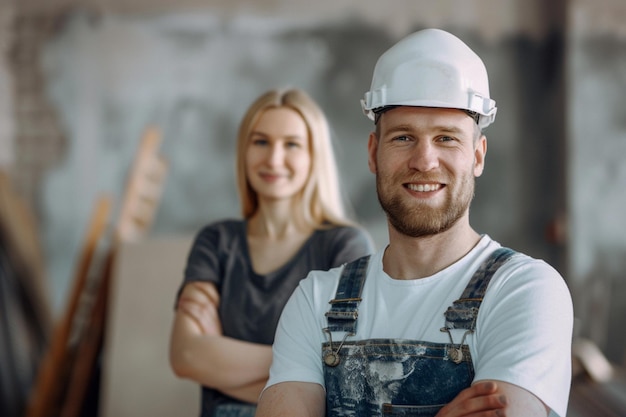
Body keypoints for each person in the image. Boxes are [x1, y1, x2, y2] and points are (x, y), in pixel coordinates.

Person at [256, 29, 573, 417]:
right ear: (374, 153)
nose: (424, 161)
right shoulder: (315, 301)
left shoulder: (525, 291)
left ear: (477, 156)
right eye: (404, 137)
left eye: (446, 138)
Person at [168, 88, 375, 417]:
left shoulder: (345, 245)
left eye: (291, 144)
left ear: (314, 155)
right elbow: (186, 356)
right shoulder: (216, 241)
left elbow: (346, 374)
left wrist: (220, 362)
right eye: (260, 141)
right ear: (244, 151)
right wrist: (306, 361)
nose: (273, 159)